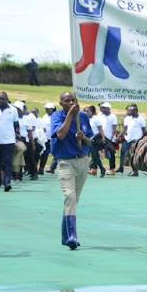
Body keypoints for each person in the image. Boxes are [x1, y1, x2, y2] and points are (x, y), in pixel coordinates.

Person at [50, 91, 94, 249]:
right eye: (66, 101)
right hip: (66, 162)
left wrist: (83, 138)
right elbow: (60, 135)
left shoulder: (83, 117)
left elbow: (90, 142)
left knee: (74, 200)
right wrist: (70, 115)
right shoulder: (57, 116)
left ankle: (65, 236)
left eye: (72, 100)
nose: (70, 102)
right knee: (69, 196)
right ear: (61, 103)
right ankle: (72, 235)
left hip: (82, 161)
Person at [0, 92, 20, 191]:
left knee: (7, 163)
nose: (1, 101)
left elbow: (16, 125)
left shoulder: (13, 110)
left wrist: (17, 138)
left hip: (8, 141)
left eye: (3, 99)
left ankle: (7, 183)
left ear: (7, 99)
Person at [117, 104, 146, 176]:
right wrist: (119, 136)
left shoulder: (141, 119)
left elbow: (144, 130)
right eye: (128, 110)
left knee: (132, 155)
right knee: (123, 152)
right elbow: (124, 129)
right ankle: (121, 167)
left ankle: (135, 170)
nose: (129, 111)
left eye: (131, 110)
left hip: (135, 139)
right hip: (127, 139)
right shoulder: (127, 118)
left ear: (135, 111)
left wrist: (143, 139)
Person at [84, 106, 106, 177]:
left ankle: (102, 169)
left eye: (87, 111)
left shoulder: (96, 119)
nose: (86, 112)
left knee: (95, 156)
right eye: (85, 111)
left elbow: (100, 129)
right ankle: (83, 170)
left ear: (92, 112)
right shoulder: (83, 119)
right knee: (84, 156)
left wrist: (103, 138)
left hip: (93, 139)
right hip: (84, 139)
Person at [99, 102, 118, 176]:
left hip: (110, 138)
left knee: (111, 153)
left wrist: (111, 138)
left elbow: (114, 129)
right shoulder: (100, 115)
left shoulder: (113, 117)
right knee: (97, 151)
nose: (102, 109)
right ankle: (93, 167)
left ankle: (112, 169)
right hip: (101, 137)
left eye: (104, 108)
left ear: (108, 108)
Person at [37, 102, 56, 175]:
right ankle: (41, 168)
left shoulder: (54, 116)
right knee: (44, 153)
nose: (47, 110)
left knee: (54, 153)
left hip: (52, 138)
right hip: (44, 138)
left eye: (48, 109)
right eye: (46, 109)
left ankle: (53, 167)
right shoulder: (45, 116)